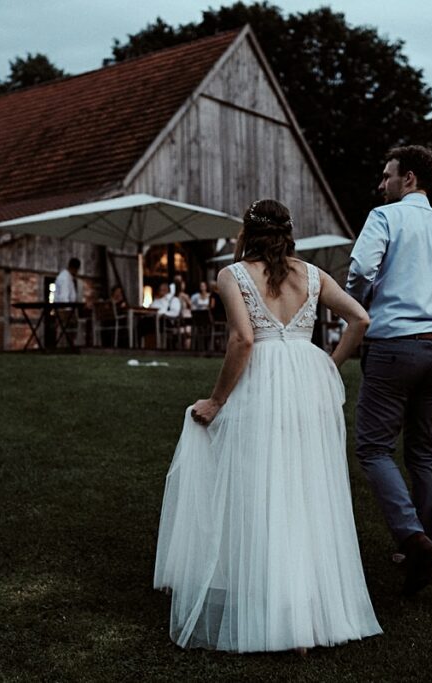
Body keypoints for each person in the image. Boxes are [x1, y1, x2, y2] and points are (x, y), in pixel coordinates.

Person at [154, 199, 382, 654]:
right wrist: (329, 366)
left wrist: (217, 400)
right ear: (288, 233)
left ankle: (277, 612)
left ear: (247, 233)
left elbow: (243, 338)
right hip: (307, 384)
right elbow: (360, 318)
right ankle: (306, 616)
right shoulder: (313, 275)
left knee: (261, 487)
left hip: (262, 383)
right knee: (305, 490)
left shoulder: (232, 275)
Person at [346, 145, 432, 596]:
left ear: (408, 178)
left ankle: (412, 537)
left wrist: (365, 301)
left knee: (372, 447)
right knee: (424, 453)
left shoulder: (385, 218)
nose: (381, 184)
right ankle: (421, 549)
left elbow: (359, 268)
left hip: (392, 348)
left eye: (387, 175)